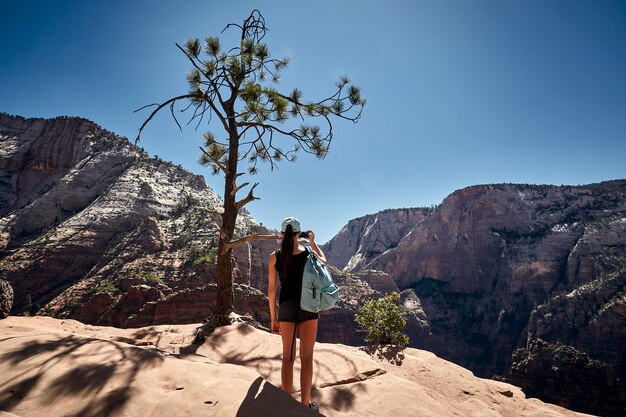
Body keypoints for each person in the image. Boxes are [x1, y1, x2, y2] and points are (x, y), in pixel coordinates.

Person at [267, 217, 327, 412]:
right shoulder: (309, 253)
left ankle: (287, 406)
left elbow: (271, 290)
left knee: (288, 357)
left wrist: (273, 318)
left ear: (282, 233)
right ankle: (305, 406)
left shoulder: (274, 256)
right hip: (308, 305)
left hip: (286, 306)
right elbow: (324, 262)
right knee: (307, 357)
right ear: (297, 234)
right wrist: (312, 242)